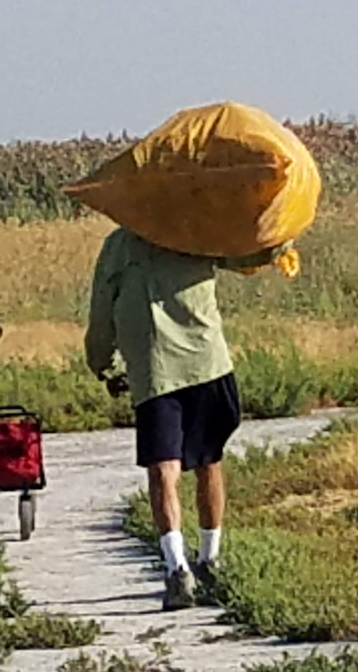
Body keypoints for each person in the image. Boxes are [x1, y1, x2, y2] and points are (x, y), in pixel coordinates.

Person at [84, 226, 286, 611]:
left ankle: (209, 560)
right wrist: (103, 363)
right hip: (154, 373)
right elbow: (102, 306)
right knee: (164, 469)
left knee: (209, 462)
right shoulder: (118, 245)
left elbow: (239, 253)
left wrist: (277, 239)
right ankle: (177, 570)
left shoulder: (192, 222)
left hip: (205, 364)